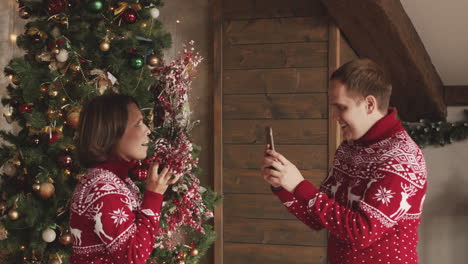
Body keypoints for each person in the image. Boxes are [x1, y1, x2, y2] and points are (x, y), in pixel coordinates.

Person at [261, 59, 427, 264]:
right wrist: (283, 186)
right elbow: (318, 217)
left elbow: (361, 232)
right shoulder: (349, 148)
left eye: (341, 107)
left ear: (369, 104)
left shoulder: (402, 158)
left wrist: (298, 185)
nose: (334, 116)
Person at [69, 93, 180, 264]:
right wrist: (153, 195)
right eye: (138, 123)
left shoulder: (114, 180)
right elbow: (133, 257)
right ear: (112, 133)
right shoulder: (103, 189)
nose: (147, 130)